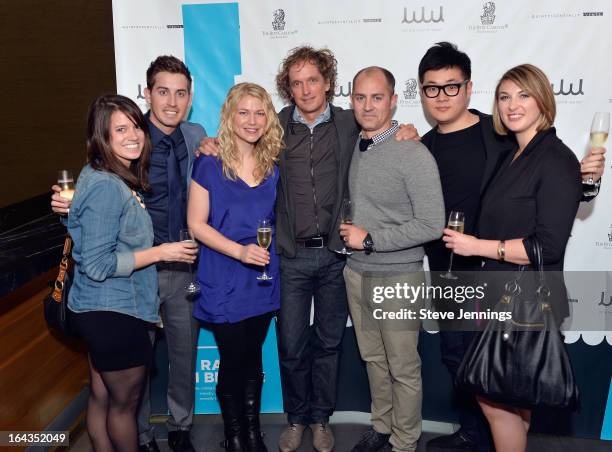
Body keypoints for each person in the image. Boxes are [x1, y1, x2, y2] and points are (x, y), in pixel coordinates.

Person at [198, 46, 418, 452]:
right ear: (288, 89)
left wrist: (406, 129)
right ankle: (296, 418)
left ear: (329, 83)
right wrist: (211, 142)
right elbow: (238, 140)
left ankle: (321, 419)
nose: (305, 89)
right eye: (296, 83)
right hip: (290, 256)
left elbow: (384, 125)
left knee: (330, 343)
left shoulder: (352, 123)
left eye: (312, 80)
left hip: (336, 256)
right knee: (292, 343)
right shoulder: (275, 126)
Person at [417, 42, 605, 452]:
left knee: (499, 395)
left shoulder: (504, 138)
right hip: (469, 280)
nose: (512, 105)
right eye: (505, 97)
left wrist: (585, 181)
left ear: (467, 88)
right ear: (422, 93)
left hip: (515, 292)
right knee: (491, 387)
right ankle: (475, 437)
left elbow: (549, 230)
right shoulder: (430, 145)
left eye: (523, 95)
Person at [51, 56, 207, 452]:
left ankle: (180, 427)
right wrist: (70, 207)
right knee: (127, 393)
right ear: (148, 94)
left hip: (181, 267)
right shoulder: (115, 166)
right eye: (163, 91)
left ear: (189, 98)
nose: (172, 101)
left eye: (181, 93)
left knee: (162, 366)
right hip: (129, 285)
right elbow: (98, 250)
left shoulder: (194, 137)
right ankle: (140, 438)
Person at [339, 67, 445, 452]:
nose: (368, 106)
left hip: (398, 278)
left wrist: (371, 240)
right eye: (360, 98)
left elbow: (433, 224)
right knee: (373, 361)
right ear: (351, 101)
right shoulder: (355, 143)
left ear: (394, 100)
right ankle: (382, 428)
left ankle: (404, 442)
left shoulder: (412, 152)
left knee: (403, 368)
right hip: (356, 274)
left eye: (377, 97)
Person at [187, 82, 282, 452]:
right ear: (230, 116)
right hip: (223, 275)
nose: (252, 121)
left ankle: (253, 432)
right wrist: (239, 253)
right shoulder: (208, 162)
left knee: (253, 354)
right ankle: (235, 435)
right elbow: (196, 224)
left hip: (261, 277)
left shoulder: (272, 166)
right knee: (233, 358)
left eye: (260, 113)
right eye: (244, 112)